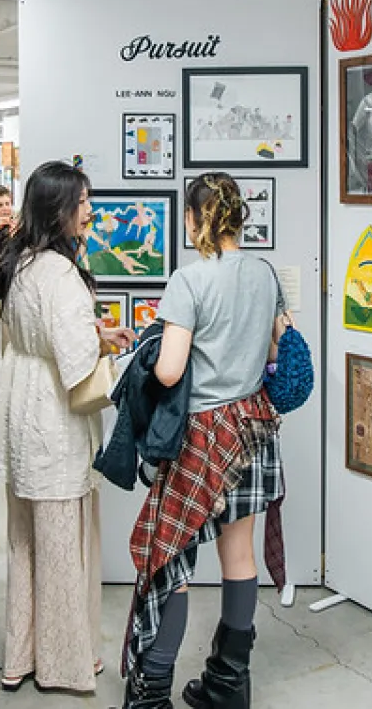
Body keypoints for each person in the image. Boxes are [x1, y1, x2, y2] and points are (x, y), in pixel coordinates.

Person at [119, 172, 289, 709]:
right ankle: (228, 685)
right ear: (239, 216)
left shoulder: (188, 281)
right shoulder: (265, 274)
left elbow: (169, 371)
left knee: (170, 559)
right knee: (239, 555)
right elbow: (273, 350)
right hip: (254, 428)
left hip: (201, 436)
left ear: (194, 220)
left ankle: (151, 695)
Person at [0, 162, 133, 693]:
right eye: (83, 201)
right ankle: (64, 662)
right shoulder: (63, 273)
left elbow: (27, 337)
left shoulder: (19, 261)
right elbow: (73, 363)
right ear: (60, 208)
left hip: (19, 412)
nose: (90, 210)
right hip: (54, 422)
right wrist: (106, 344)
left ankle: (20, 656)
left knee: (24, 544)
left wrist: (93, 333)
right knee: (64, 547)